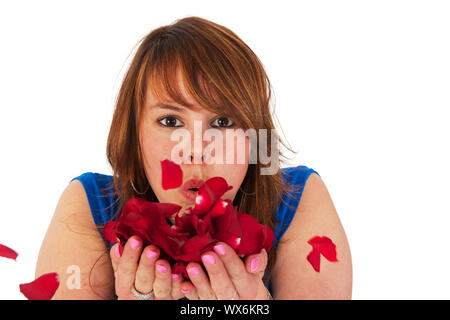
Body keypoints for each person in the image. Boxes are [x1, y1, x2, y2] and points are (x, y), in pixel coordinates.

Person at [35, 16, 352, 300]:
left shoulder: (297, 197)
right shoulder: (91, 207)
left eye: (223, 123)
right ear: (134, 133)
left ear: (255, 138)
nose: (197, 149)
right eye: (171, 121)